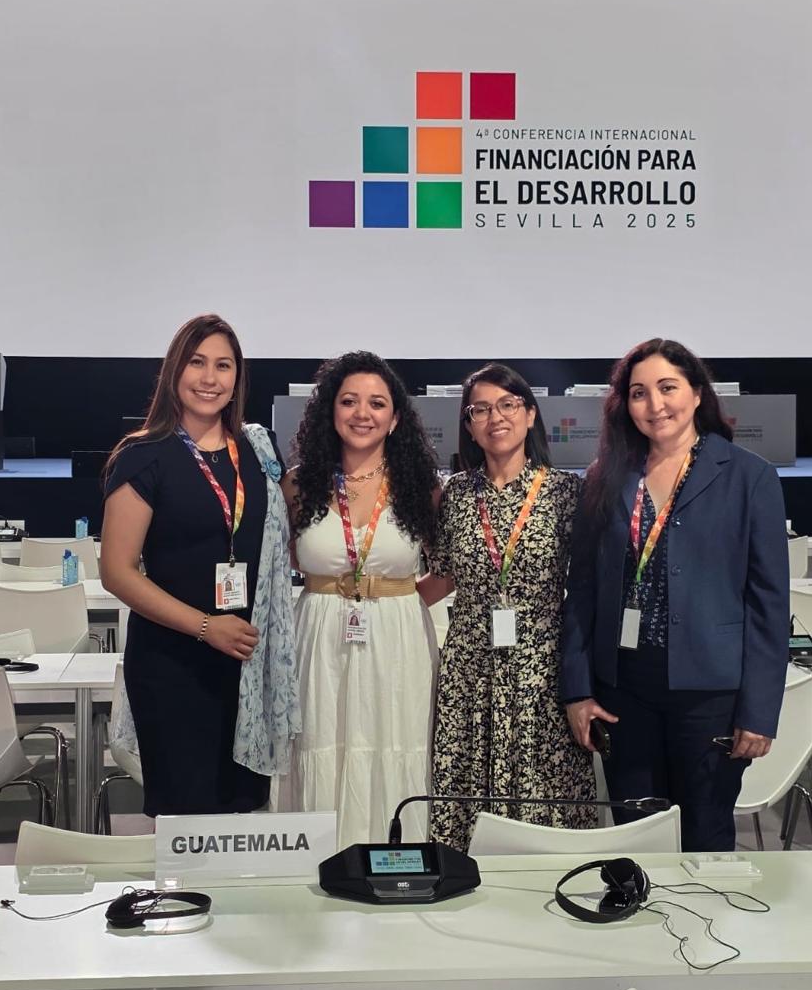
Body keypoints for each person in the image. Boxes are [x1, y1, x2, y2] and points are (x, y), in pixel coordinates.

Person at [560, 337, 789, 990]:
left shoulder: (746, 475)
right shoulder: (607, 478)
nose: (654, 403)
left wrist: (758, 710)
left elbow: (768, 603)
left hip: (710, 697)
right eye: (638, 391)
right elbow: (582, 593)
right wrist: (577, 689)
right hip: (625, 693)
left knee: (704, 844)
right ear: (622, 404)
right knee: (636, 844)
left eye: (667, 387)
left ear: (695, 393)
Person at [101, 314, 298, 821]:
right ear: (175, 370)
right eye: (197, 363)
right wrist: (207, 627)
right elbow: (117, 572)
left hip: (247, 664)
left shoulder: (258, 451)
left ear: (237, 378)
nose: (210, 378)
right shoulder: (143, 455)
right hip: (174, 665)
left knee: (247, 812)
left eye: (223, 366)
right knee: (187, 824)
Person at [422, 362, 596, 855]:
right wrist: (381, 605)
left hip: (543, 670)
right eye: (480, 409)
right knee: (465, 793)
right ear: (469, 425)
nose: (495, 417)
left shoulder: (566, 492)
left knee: (546, 793)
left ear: (530, 414)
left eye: (507, 404)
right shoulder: (456, 493)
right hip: (469, 669)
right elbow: (442, 575)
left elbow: (587, 590)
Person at [277, 350, 440, 848]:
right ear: (330, 410)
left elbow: (451, 568)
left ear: (395, 418)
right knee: (320, 742)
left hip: (398, 639)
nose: (362, 413)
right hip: (319, 635)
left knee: (396, 746)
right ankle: (322, 861)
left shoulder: (422, 486)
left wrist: (400, 602)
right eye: (349, 401)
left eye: (376, 403)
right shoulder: (298, 484)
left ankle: (396, 862)